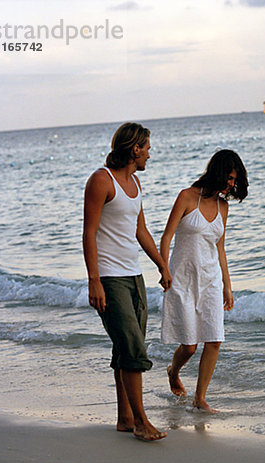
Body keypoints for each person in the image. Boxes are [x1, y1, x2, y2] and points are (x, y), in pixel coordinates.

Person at [83, 122, 172, 441]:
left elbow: (141, 231)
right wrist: (95, 281)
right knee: (133, 347)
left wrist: (162, 265)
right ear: (135, 149)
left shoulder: (134, 183)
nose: (150, 153)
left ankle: (124, 417)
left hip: (133, 276)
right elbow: (89, 233)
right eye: (147, 147)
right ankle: (140, 421)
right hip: (109, 276)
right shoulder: (100, 180)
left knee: (125, 347)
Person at [160, 149, 248, 413]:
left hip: (210, 279)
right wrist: (163, 268)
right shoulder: (187, 197)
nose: (232, 184)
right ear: (218, 172)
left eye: (235, 180)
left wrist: (228, 286)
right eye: (230, 177)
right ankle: (173, 371)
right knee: (189, 344)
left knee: (214, 339)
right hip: (183, 278)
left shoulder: (224, 206)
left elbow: (220, 248)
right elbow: (166, 237)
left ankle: (200, 399)